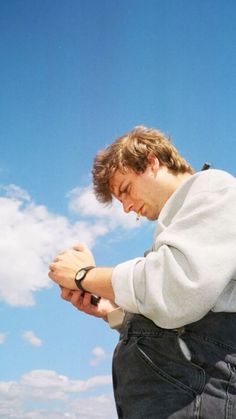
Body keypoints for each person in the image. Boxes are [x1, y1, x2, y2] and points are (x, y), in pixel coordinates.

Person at [49, 126, 236, 419]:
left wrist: (83, 275)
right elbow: (173, 305)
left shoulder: (214, 188)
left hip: (193, 393)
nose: (126, 208)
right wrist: (112, 311)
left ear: (152, 161)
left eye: (125, 190)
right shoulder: (178, 228)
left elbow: (175, 291)